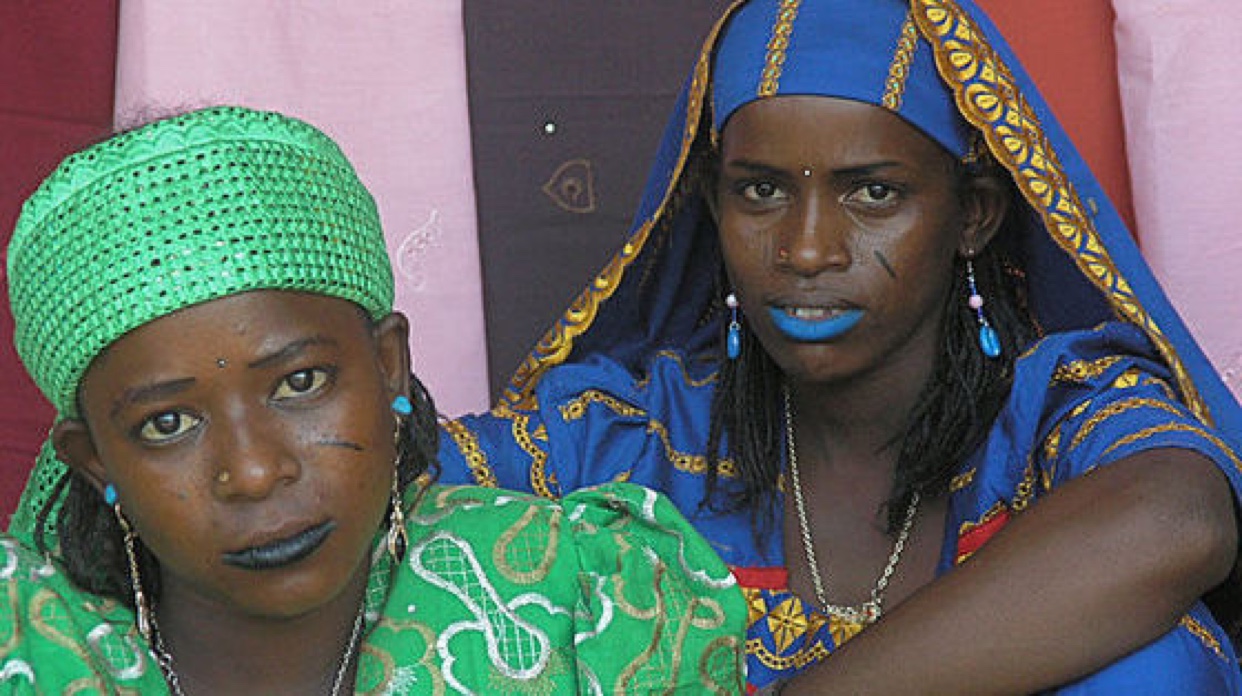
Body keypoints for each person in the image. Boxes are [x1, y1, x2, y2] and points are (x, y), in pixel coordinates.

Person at [437, 0, 1242, 692]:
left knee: (1154, 660)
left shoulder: (1047, 413)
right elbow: (393, 495)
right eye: (761, 191)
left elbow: (1179, 517)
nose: (808, 249)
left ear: (973, 215)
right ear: (714, 207)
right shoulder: (627, 440)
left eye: (873, 193)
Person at [0, 106, 746, 693]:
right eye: (168, 424)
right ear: (94, 460)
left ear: (389, 365)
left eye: (300, 383)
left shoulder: (582, 606)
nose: (254, 472)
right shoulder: (29, 654)